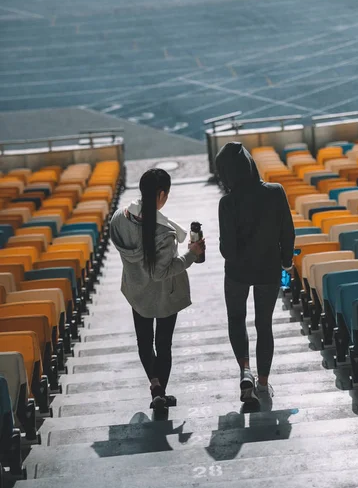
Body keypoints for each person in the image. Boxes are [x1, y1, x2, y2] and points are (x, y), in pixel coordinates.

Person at [110, 168, 205, 411]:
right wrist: (192, 254)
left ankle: (155, 388)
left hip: (136, 291)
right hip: (164, 296)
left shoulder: (119, 218)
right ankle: (160, 390)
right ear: (161, 194)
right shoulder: (164, 233)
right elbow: (161, 272)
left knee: (144, 341)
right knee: (163, 344)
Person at [215, 142, 295, 404]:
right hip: (268, 270)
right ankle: (262, 383)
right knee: (264, 325)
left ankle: (245, 370)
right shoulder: (275, 192)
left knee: (237, 319)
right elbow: (288, 232)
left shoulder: (227, 203)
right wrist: (285, 262)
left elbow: (227, 250)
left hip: (237, 272)